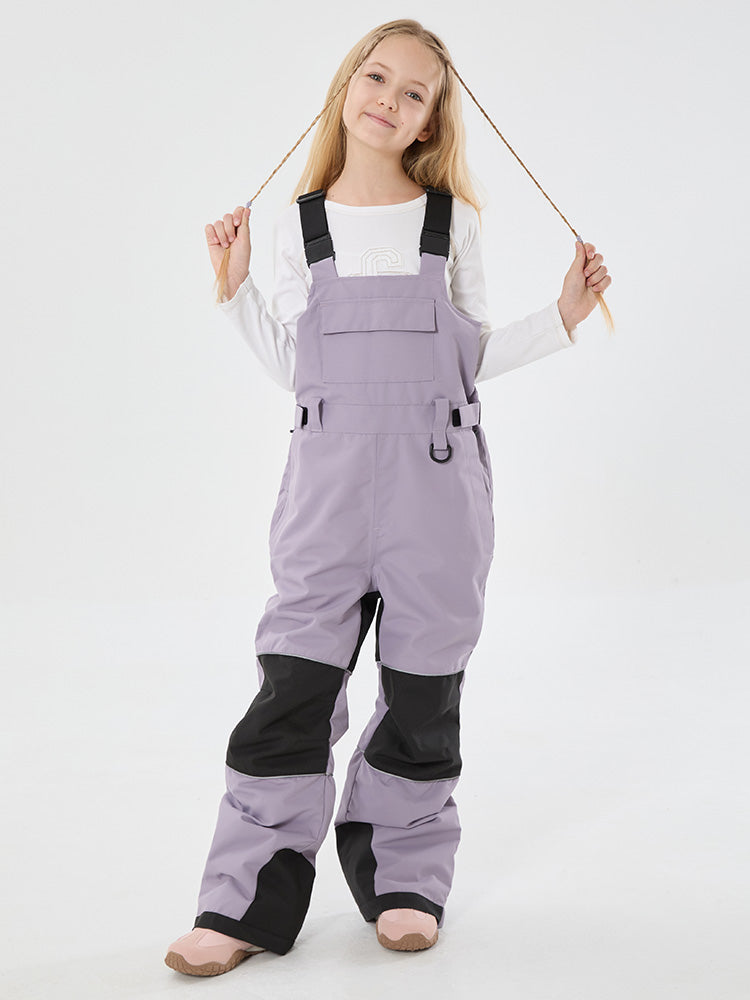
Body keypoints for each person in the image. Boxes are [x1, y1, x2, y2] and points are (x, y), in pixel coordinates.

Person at [165, 19, 611, 977]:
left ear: (430, 121)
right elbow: (297, 368)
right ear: (346, 86)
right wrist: (235, 292)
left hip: (435, 491)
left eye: (414, 93)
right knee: (293, 688)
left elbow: (470, 356)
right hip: (325, 489)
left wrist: (563, 318)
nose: (389, 99)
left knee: (422, 694)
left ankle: (405, 879)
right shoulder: (302, 224)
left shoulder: (452, 222)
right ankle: (243, 900)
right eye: (377, 77)